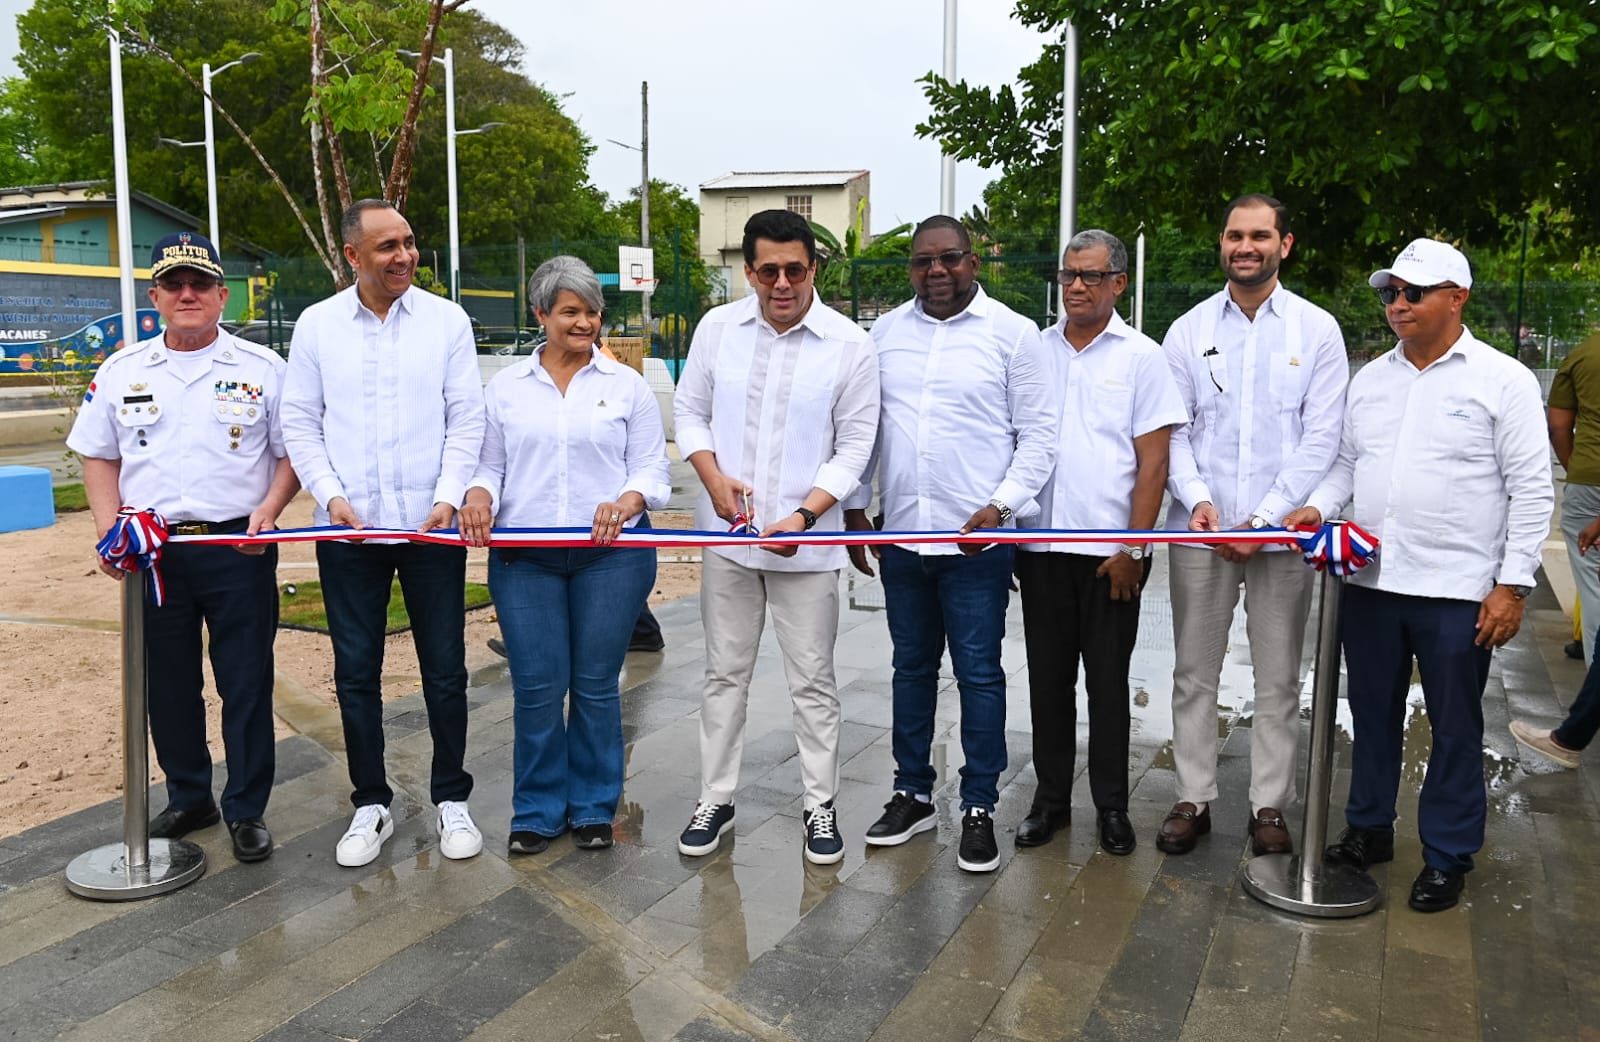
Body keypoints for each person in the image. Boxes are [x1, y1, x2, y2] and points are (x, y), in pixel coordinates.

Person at [1287, 238, 1553, 913]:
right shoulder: (1371, 378)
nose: (1397, 305)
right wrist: (1318, 506)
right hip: (1372, 583)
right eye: (1389, 293)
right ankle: (1370, 828)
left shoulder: (1503, 380)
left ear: (1457, 297)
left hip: (1458, 593)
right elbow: (1349, 464)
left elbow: (1531, 489)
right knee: (1370, 716)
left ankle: (1447, 854)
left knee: (1456, 727)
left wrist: (1513, 584)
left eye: (1413, 292)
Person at [67, 232, 299, 863]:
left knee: (245, 681)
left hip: (237, 549)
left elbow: (291, 455)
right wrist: (110, 532)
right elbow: (97, 455)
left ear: (223, 295)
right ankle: (190, 794)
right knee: (166, 684)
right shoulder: (122, 371)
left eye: (200, 284)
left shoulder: (263, 370)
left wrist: (269, 512)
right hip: (156, 554)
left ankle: (245, 808)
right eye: (174, 284)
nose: (188, 294)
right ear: (156, 297)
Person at [844, 215, 1057, 873]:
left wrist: (999, 509)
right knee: (911, 669)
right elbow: (868, 429)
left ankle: (979, 805)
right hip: (903, 538)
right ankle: (913, 793)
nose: (936, 272)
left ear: (974, 263)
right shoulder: (883, 335)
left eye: (951, 259)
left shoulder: (1014, 336)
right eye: (923, 262)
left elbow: (1040, 437)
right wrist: (857, 506)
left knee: (978, 672)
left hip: (978, 546)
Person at [281, 199, 487, 868]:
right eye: (386, 247)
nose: (404, 256)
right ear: (352, 257)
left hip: (431, 531)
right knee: (355, 671)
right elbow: (301, 424)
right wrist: (331, 497)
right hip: (348, 532)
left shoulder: (446, 322)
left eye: (408, 241)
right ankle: (371, 803)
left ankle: (451, 796)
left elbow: (466, 419)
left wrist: (447, 497)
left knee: (446, 670)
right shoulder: (317, 327)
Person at [672, 209, 880, 866]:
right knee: (723, 675)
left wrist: (809, 513)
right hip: (728, 543)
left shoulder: (850, 345)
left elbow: (855, 446)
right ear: (749, 270)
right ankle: (716, 796)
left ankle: (820, 805)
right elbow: (689, 411)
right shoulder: (717, 330)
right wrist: (710, 478)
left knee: (813, 681)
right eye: (769, 271)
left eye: (795, 269)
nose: (782, 283)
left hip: (806, 548)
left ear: (814, 267)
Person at [1158, 194, 1348, 858]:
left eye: (1260, 235)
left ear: (1284, 245)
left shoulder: (1316, 331)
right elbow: (1174, 431)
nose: (1247, 246)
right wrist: (1199, 500)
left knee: (1278, 677)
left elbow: (1321, 438)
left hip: (1283, 535)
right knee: (1193, 670)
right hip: (1200, 529)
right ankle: (1193, 797)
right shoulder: (1186, 331)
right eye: (1236, 235)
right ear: (1221, 242)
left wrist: (1264, 521)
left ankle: (1269, 805)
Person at [460, 256, 669, 854]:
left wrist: (627, 501)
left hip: (611, 557)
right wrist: (478, 496)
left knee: (597, 685)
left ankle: (594, 807)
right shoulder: (505, 388)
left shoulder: (625, 385)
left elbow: (651, 467)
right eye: (571, 311)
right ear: (541, 314)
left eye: (593, 312)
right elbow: (489, 465)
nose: (585, 323)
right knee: (538, 685)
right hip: (526, 557)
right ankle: (537, 810)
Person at [1014, 230, 1187, 856]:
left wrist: (1136, 550)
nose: (1077, 287)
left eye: (1090, 276)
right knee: (1047, 681)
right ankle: (1051, 800)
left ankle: (1111, 805)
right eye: (1068, 276)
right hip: (1038, 549)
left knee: (1108, 683)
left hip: (1110, 557)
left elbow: (1154, 465)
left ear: (1118, 283)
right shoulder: (1032, 352)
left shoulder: (1143, 357)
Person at [1546, 329, 1600, 663]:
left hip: (1589, 479)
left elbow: (1559, 426)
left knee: (1593, 587)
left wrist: (1575, 467)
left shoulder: (1582, 354)